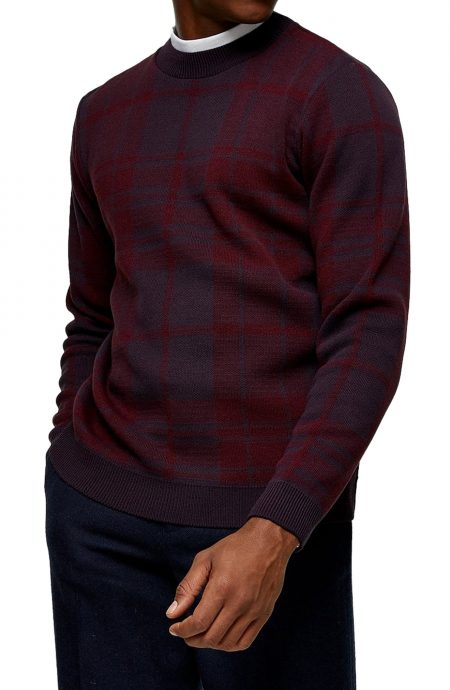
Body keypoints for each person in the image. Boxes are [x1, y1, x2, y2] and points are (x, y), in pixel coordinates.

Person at [44, 1, 410, 688]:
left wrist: (279, 526)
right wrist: (69, 461)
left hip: (270, 529)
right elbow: (93, 314)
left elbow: (368, 332)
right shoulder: (103, 113)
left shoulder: (339, 95)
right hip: (99, 525)